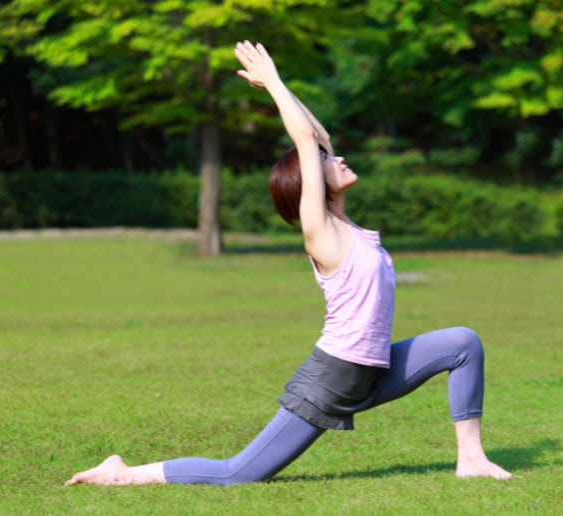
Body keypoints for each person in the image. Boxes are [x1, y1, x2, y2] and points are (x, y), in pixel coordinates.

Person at [64, 41, 512, 487]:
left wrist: (277, 87)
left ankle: (470, 459)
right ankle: (122, 473)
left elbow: (315, 136)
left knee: (462, 343)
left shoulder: (348, 228)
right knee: (238, 474)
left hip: (371, 370)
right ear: (310, 184)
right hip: (335, 376)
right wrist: (274, 82)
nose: (336, 157)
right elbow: (303, 141)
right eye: (324, 163)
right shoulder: (320, 232)